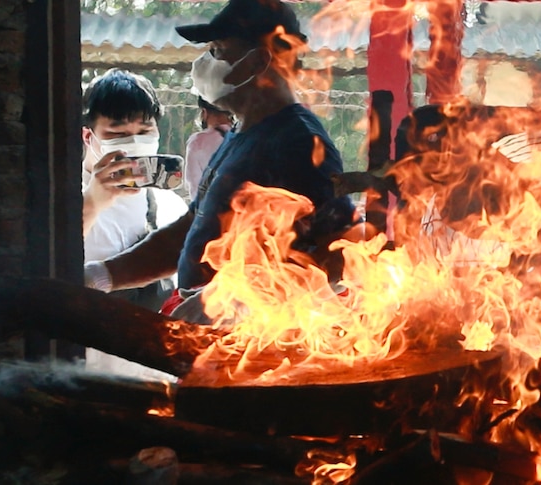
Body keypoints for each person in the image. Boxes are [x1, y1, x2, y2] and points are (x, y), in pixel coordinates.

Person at [83, 0, 357, 322]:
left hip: (253, 347)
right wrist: (101, 276)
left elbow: (338, 256)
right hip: (211, 338)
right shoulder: (241, 135)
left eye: (217, 50)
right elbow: (187, 232)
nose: (204, 62)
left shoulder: (298, 143)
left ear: (257, 61)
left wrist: (235, 300)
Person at [81, 68, 187, 378]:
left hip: (157, 378)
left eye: (145, 131)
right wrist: (92, 203)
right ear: (89, 137)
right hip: (88, 378)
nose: (135, 143)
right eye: (117, 134)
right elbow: (48, 268)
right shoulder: (61, 201)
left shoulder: (169, 205)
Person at [184, 97, 233, 201]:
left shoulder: (197, 142)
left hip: (213, 211)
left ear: (204, 113)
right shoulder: (245, 135)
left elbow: (194, 188)